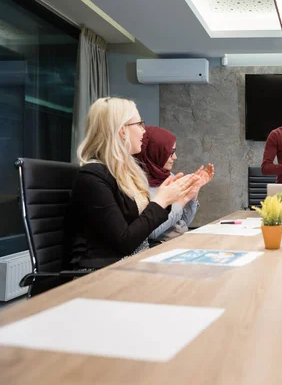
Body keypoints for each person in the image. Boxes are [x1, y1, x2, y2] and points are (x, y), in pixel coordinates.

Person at [65, 97, 200, 269]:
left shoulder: (126, 173)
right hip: (104, 272)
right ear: (122, 131)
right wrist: (161, 201)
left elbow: (141, 229)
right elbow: (125, 242)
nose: (144, 131)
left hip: (137, 262)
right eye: (139, 124)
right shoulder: (92, 178)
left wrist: (172, 198)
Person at [135, 126, 214, 242]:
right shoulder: (137, 183)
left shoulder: (168, 176)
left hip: (179, 242)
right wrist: (181, 202)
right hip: (157, 248)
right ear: (155, 151)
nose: (175, 157)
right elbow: (152, 232)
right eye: (170, 152)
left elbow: (183, 223)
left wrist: (192, 193)